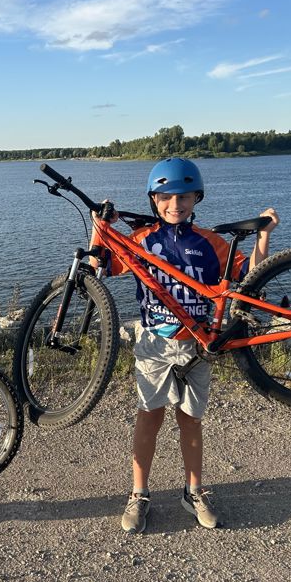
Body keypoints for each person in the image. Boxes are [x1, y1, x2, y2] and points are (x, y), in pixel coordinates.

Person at [111, 158, 279, 533]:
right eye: (166, 197)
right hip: (155, 342)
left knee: (190, 421)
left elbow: (248, 275)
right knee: (149, 418)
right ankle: (138, 494)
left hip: (196, 345)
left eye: (184, 196)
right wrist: (100, 226)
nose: (175, 204)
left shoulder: (210, 242)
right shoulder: (140, 241)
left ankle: (194, 491)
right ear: (154, 200)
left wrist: (264, 238)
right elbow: (102, 262)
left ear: (196, 198)